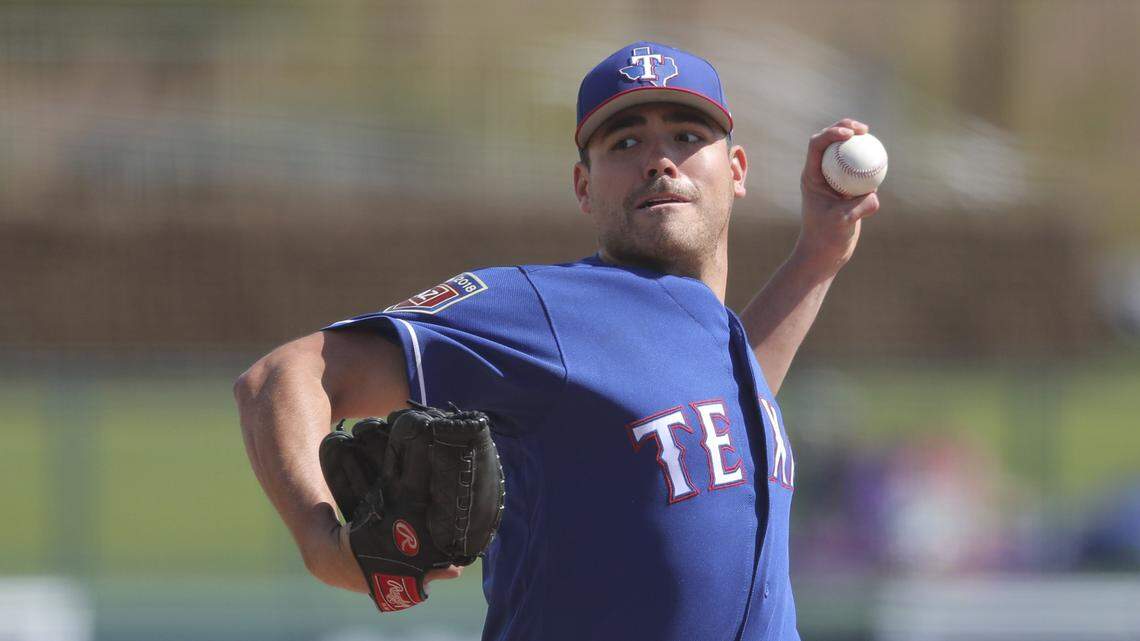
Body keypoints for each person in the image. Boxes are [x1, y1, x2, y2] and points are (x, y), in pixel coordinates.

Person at [235, 41, 880, 641]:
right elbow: (284, 377)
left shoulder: (715, 338)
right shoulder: (542, 307)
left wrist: (816, 258)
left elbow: (726, 405)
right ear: (583, 187)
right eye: (625, 142)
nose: (659, 159)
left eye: (687, 136)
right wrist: (323, 543)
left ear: (735, 170)